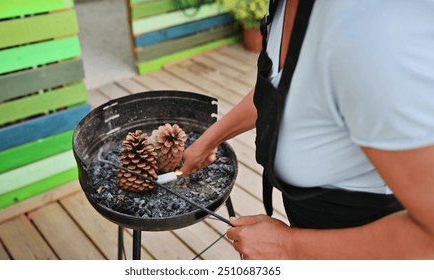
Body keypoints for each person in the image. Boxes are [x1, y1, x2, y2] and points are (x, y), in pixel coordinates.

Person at [180, 0, 434, 259]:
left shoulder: (372, 34)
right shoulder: (284, 6)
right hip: (308, 225)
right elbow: (283, 91)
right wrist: (209, 140)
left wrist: (288, 247)